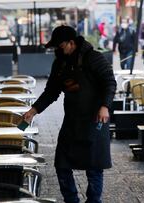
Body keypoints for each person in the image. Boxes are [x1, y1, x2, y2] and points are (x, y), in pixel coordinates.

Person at [23, 25, 116, 203]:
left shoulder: (93, 58)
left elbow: (110, 83)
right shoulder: (60, 63)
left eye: (60, 46)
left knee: (94, 167)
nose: (57, 50)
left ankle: (94, 201)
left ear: (71, 43)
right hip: (72, 121)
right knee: (61, 164)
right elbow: (51, 91)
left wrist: (105, 106)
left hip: (94, 120)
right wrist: (34, 110)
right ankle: (71, 200)